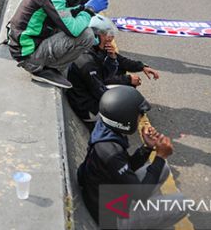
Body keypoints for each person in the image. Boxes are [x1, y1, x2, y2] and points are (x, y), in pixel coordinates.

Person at [77, 87, 186, 228]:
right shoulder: (111, 152)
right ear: (125, 118)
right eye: (138, 115)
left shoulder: (105, 131)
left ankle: (149, 212)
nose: (140, 118)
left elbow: (125, 166)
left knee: (163, 168)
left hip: (104, 195)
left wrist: (147, 148)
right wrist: (160, 156)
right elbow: (141, 194)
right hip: (111, 218)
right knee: (181, 203)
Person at [8, 0, 109, 89]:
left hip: (26, 43)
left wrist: (82, 8)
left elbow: (64, 14)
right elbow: (73, 30)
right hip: (28, 55)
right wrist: (89, 10)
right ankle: (44, 69)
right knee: (87, 35)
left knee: (84, 25)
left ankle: (48, 65)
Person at [66, 15, 160, 125]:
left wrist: (142, 66)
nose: (110, 38)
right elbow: (100, 89)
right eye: (106, 35)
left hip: (92, 92)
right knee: (128, 99)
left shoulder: (98, 48)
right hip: (88, 109)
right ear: (96, 36)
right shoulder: (87, 62)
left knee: (126, 87)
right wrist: (127, 81)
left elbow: (121, 61)